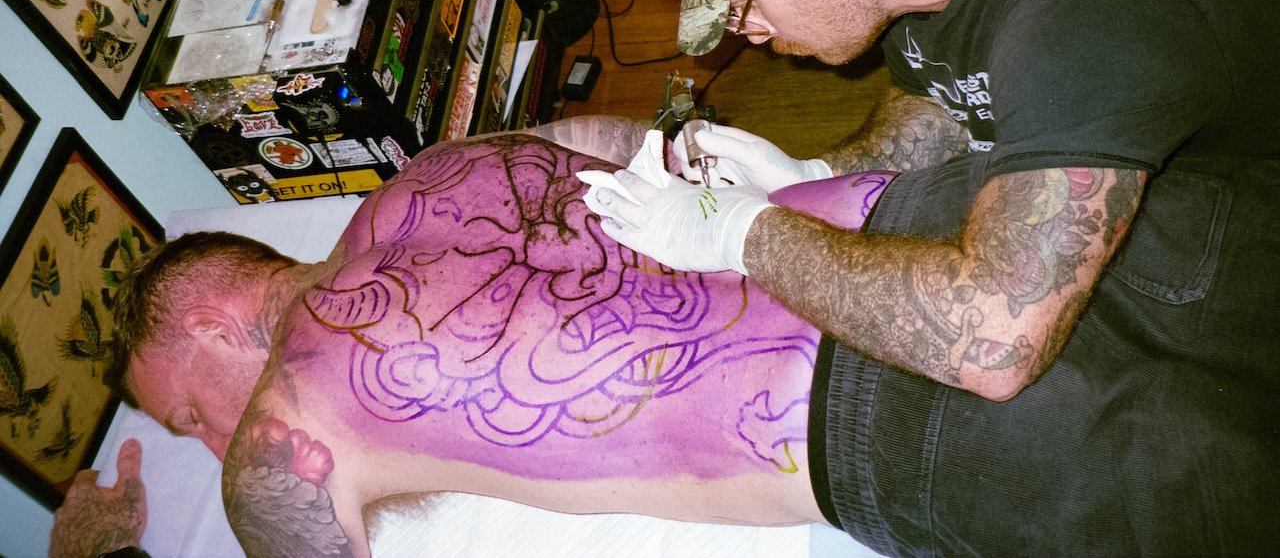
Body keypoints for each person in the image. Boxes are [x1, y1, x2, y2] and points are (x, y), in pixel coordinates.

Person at [584, 0, 1280, 554]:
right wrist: (812, 172)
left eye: (742, 5)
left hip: (1233, 247)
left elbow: (997, 339)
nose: (746, 33)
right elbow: (944, 83)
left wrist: (745, 234)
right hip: (1125, 162)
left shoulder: (1088, 9)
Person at [48, 118, 894, 558]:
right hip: (876, 223)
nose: (205, 443)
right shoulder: (436, 169)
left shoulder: (277, 446)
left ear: (208, 323)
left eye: (188, 413)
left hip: (870, 418)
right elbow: (621, 143)